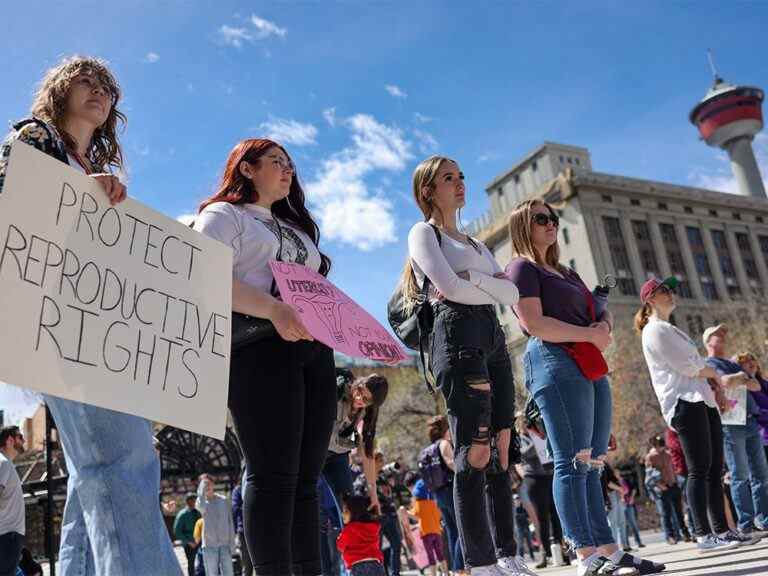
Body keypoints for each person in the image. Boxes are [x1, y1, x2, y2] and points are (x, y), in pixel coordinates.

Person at [0, 56, 181, 576]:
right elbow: (17, 212)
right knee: (122, 464)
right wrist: (84, 195)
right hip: (57, 325)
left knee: (91, 474)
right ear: (60, 89)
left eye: (106, 86)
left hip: (98, 332)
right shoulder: (34, 139)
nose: (99, 91)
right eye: (86, 81)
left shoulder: (94, 171)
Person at [194, 138, 336, 575]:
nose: (288, 169)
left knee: (307, 480)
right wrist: (274, 309)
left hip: (313, 353)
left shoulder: (296, 230)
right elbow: (202, 271)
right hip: (257, 349)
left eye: (290, 163)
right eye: (276, 161)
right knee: (273, 474)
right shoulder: (223, 216)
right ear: (248, 169)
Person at [508, 199, 661, 576]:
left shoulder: (565, 272)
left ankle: (609, 550)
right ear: (523, 225)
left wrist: (603, 325)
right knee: (571, 460)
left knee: (593, 462)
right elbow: (534, 323)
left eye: (553, 218)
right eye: (541, 219)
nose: (550, 224)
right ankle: (585, 555)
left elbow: (596, 309)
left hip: (589, 361)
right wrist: (589, 334)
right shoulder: (521, 268)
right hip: (554, 360)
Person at [406, 155, 530, 576]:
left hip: (492, 338)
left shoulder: (474, 243)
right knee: (473, 451)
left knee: (501, 446)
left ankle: (508, 554)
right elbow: (447, 286)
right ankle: (479, 561)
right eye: (448, 178)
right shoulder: (424, 233)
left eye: (461, 177)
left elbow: (510, 294)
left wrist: (473, 282)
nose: (459, 184)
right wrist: (483, 284)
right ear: (428, 190)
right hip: (456, 337)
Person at [635, 277, 744, 553]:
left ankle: (722, 530)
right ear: (649, 299)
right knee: (698, 470)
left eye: (671, 289)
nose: (671, 293)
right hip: (684, 403)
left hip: (701, 401)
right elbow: (689, 366)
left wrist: (712, 378)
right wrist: (718, 375)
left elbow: (695, 365)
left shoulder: (670, 329)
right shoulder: (654, 330)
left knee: (713, 469)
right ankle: (703, 534)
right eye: (664, 291)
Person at [321, 370, 389, 576]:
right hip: (315, 452)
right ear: (357, 384)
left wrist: (374, 495)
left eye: (366, 399)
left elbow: (368, 455)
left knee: (353, 513)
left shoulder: (365, 414)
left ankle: (358, 568)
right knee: (311, 507)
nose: (359, 398)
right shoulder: (338, 391)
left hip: (338, 457)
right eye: (360, 391)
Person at [703, 326, 768, 539]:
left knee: (761, 473)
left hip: (750, 421)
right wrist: (741, 376)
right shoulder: (709, 364)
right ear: (707, 341)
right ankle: (746, 523)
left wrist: (739, 377)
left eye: (724, 335)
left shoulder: (731, 363)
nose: (722, 338)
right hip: (731, 423)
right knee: (740, 475)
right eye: (717, 335)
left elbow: (756, 385)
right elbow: (726, 382)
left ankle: (764, 519)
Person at [515, 413, 565, 569]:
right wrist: (537, 440)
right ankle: (546, 554)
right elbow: (526, 453)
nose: (527, 424)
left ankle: (561, 550)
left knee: (556, 514)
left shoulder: (541, 433)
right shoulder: (519, 439)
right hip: (534, 479)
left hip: (550, 475)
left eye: (529, 421)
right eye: (524, 422)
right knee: (542, 517)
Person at [425, 415, 464, 573]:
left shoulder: (429, 449)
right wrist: (464, 473)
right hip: (450, 490)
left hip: (438, 494)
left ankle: (456, 568)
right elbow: (450, 462)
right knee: (462, 529)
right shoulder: (443, 444)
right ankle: (459, 567)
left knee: (451, 531)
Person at [644, 436, 690, 545]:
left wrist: (677, 482)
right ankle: (670, 536)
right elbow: (649, 474)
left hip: (674, 486)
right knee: (666, 514)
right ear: (654, 445)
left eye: (662, 445)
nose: (661, 448)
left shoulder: (668, 454)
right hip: (663, 489)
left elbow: (673, 469)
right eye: (658, 446)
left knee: (679, 512)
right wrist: (659, 485)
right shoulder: (650, 457)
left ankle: (685, 533)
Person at [403, 475, 449, 576]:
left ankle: (433, 574)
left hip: (426, 533)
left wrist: (405, 512)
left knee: (431, 557)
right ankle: (446, 573)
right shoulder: (433, 502)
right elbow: (439, 515)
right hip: (437, 531)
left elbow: (416, 516)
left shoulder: (418, 504)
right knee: (440, 555)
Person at [337, 493, 385, 576]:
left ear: (354, 512)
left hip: (358, 566)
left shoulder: (349, 529)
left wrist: (339, 537)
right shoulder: (374, 527)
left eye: (345, 511)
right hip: (376, 564)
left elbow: (340, 546)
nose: (342, 514)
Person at [196, 475, 235, 576]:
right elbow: (201, 507)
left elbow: (230, 522)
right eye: (204, 484)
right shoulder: (201, 502)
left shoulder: (223, 500)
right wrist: (201, 490)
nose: (207, 486)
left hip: (225, 545)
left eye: (208, 483)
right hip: (209, 546)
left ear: (213, 484)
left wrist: (232, 544)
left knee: (229, 574)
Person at [0, 427, 25, 576]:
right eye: (20, 437)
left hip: (8, 536)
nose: (24, 440)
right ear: (9, 440)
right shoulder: (3, 463)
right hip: (7, 537)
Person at [735, 353, 768, 466]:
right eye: (745, 361)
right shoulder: (741, 387)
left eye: (752, 359)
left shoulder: (764, 382)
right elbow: (753, 411)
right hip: (760, 437)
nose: (751, 362)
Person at [601, 461, 630, 553]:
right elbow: (607, 482)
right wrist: (620, 489)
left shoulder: (606, 463)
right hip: (611, 494)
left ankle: (624, 545)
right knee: (613, 522)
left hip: (617, 494)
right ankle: (614, 547)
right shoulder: (602, 464)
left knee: (621, 522)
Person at [176, 493, 203, 576]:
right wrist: (189, 542)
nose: (195, 502)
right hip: (189, 544)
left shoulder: (198, 513)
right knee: (191, 563)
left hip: (199, 541)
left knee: (202, 562)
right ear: (188, 502)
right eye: (193, 500)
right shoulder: (183, 515)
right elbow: (177, 531)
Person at [231, 482, 252, 576]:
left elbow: (235, 509)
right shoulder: (238, 490)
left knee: (247, 564)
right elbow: (235, 509)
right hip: (244, 530)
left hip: (244, 529)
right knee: (248, 565)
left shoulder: (238, 490)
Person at [619, 477, 644, 550]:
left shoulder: (625, 480)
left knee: (633, 524)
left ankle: (638, 542)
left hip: (629, 504)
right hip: (621, 506)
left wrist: (632, 498)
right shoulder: (614, 482)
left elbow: (634, 489)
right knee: (624, 526)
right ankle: (626, 545)